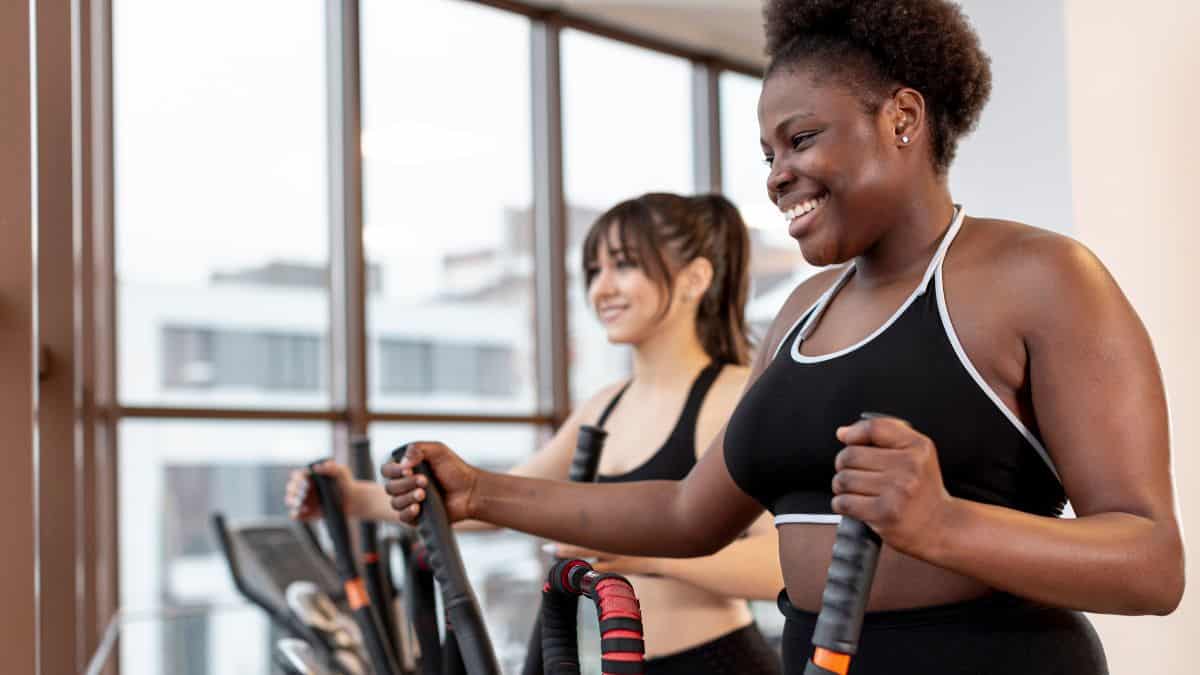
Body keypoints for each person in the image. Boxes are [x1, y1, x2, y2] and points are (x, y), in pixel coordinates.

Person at [381, 2, 1186, 674]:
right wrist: (483, 492)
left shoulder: (1041, 275)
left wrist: (946, 524)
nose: (774, 175)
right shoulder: (799, 313)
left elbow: (1151, 563)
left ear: (902, 118)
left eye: (800, 140)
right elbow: (687, 511)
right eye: (767, 154)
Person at [288, 193, 784, 674]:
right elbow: (489, 505)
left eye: (625, 265)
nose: (602, 288)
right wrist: (348, 498)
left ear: (696, 277)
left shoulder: (730, 395)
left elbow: (780, 565)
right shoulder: (604, 407)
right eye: (594, 271)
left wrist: (649, 556)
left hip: (715, 660)